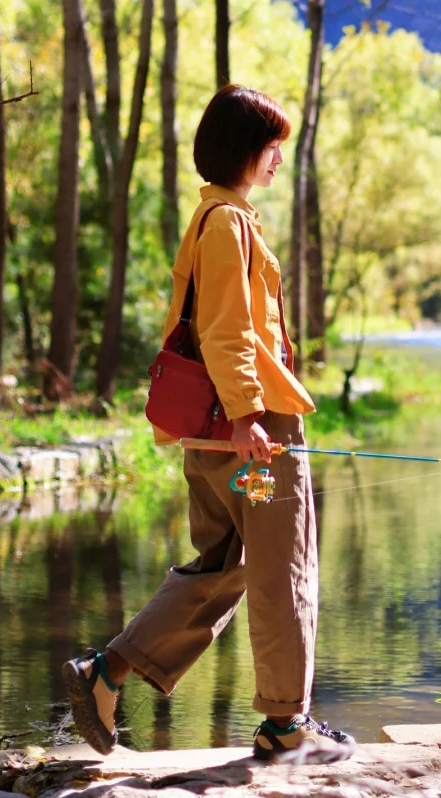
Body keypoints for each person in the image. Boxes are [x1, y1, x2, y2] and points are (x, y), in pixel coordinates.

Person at [63, 85, 355, 763]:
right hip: (252, 432)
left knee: (232, 561)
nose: (278, 157)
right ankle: (287, 725)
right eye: (271, 144)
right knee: (282, 565)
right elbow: (227, 332)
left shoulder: (215, 218)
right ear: (244, 150)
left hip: (221, 431)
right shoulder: (227, 224)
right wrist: (252, 417)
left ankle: (107, 673)